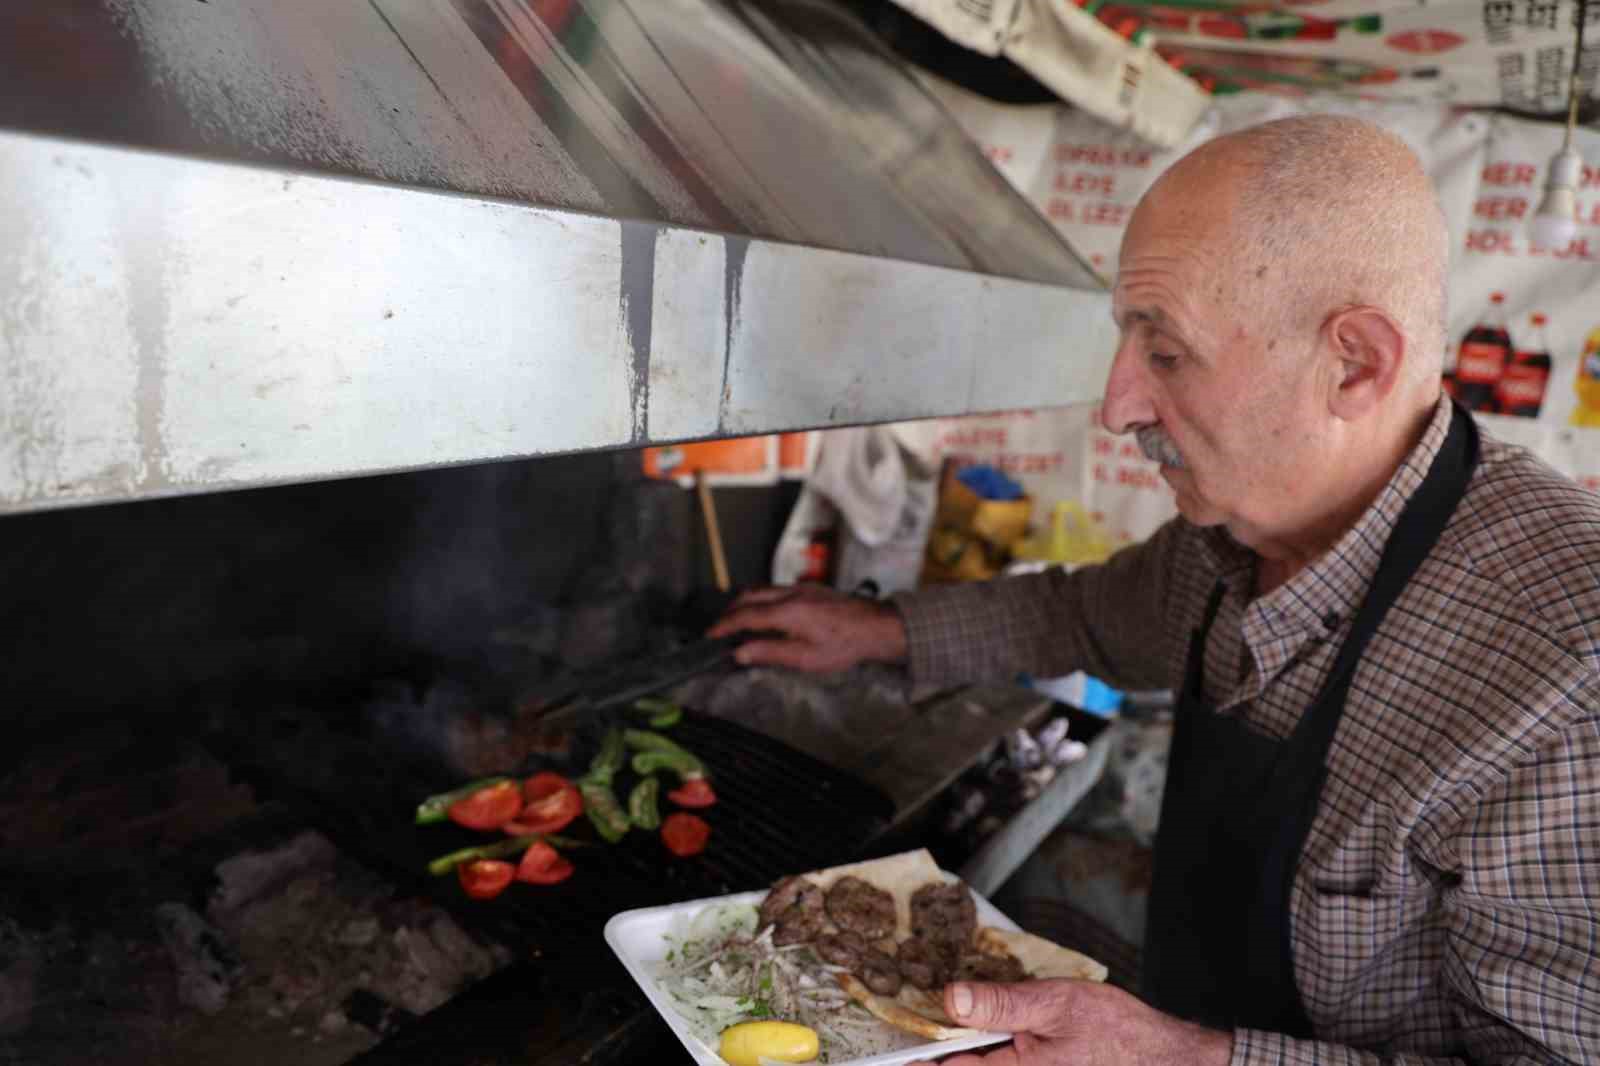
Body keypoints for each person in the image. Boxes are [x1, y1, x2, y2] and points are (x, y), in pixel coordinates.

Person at [710, 115, 1600, 1065]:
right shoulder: (1230, 536)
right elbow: (1084, 617)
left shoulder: (1567, 678)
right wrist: (877, 630)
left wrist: (1181, 1058)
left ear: (1355, 364)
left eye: (1166, 353)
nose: (1117, 405)